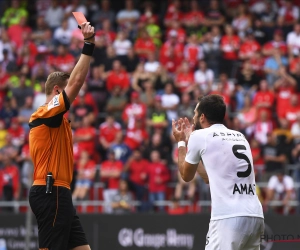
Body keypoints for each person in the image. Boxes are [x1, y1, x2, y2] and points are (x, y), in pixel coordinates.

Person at [28, 22, 95, 250]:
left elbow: (75, 83)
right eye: (66, 92)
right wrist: (88, 45)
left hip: (58, 191)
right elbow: (76, 82)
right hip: (51, 191)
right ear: (57, 91)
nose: (74, 97)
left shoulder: (57, 118)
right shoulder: (46, 112)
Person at [172, 94, 264, 250]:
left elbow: (186, 176)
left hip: (228, 217)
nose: (193, 118)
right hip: (255, 216)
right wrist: (192, 146)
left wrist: (181, 142)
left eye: (195, 113)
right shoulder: (240, 136)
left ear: (202, 117)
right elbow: (209, 178)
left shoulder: (199, 136)